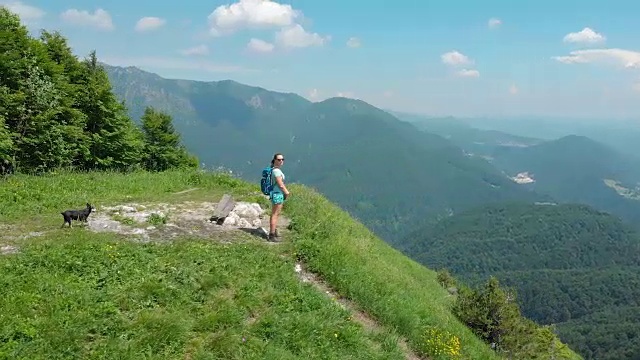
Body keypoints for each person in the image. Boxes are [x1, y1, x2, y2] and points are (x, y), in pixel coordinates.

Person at [269, 153, 290, 241]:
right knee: (275, 214)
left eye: (282, 159)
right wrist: (286, 192)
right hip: (278, 194)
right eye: (279, 159)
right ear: (274, 160)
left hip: (276, 193)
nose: (281, 161)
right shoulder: (276, 171)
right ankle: (272, 235)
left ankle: (274, 231)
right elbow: (280, 183)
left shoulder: (274, 170)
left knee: (276, 214)